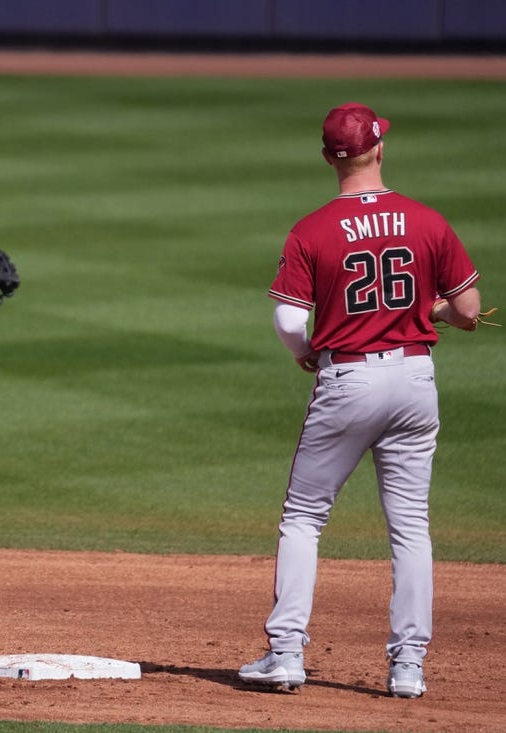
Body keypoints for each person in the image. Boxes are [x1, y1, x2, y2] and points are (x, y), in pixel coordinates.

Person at [238, 103, 484, 698]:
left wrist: (306, 352)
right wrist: (435, 311)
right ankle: (408, 667)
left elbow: (289, 318)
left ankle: (287, 654)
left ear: (329, 158)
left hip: (348, 380)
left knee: (304, 517)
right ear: (380, 149)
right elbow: (470, 311)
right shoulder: (425, 220)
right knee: (410, 528)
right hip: (415, 381)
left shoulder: (312, 229)